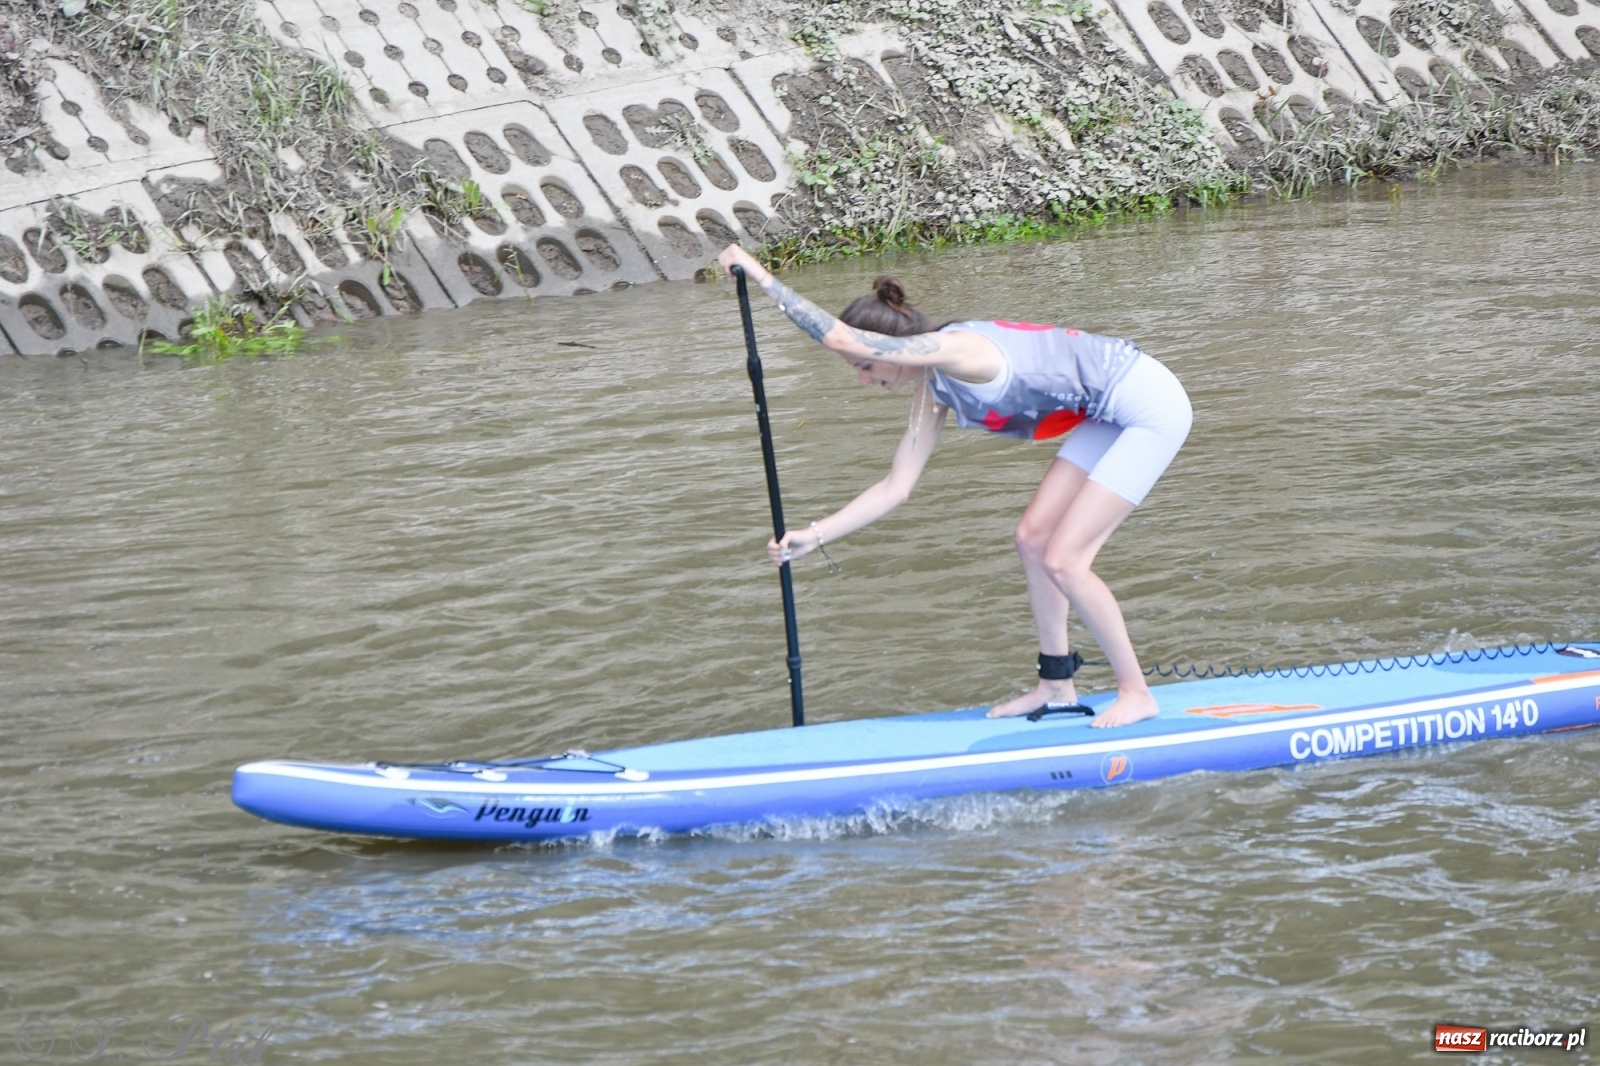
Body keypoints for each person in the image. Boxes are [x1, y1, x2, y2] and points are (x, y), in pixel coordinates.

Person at [717, 245, 1191, 728]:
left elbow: (841, 337)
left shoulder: (958, 350)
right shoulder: (934, 386)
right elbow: (897, 486)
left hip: (1149, 406)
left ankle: (1136, 692)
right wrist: (813, 536)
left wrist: (757, 273)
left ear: (886, 348)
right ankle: (1056, 685)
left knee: (1065, 560)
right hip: (1106, 413)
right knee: (1031, 538)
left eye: (864, 366)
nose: (862, 379)